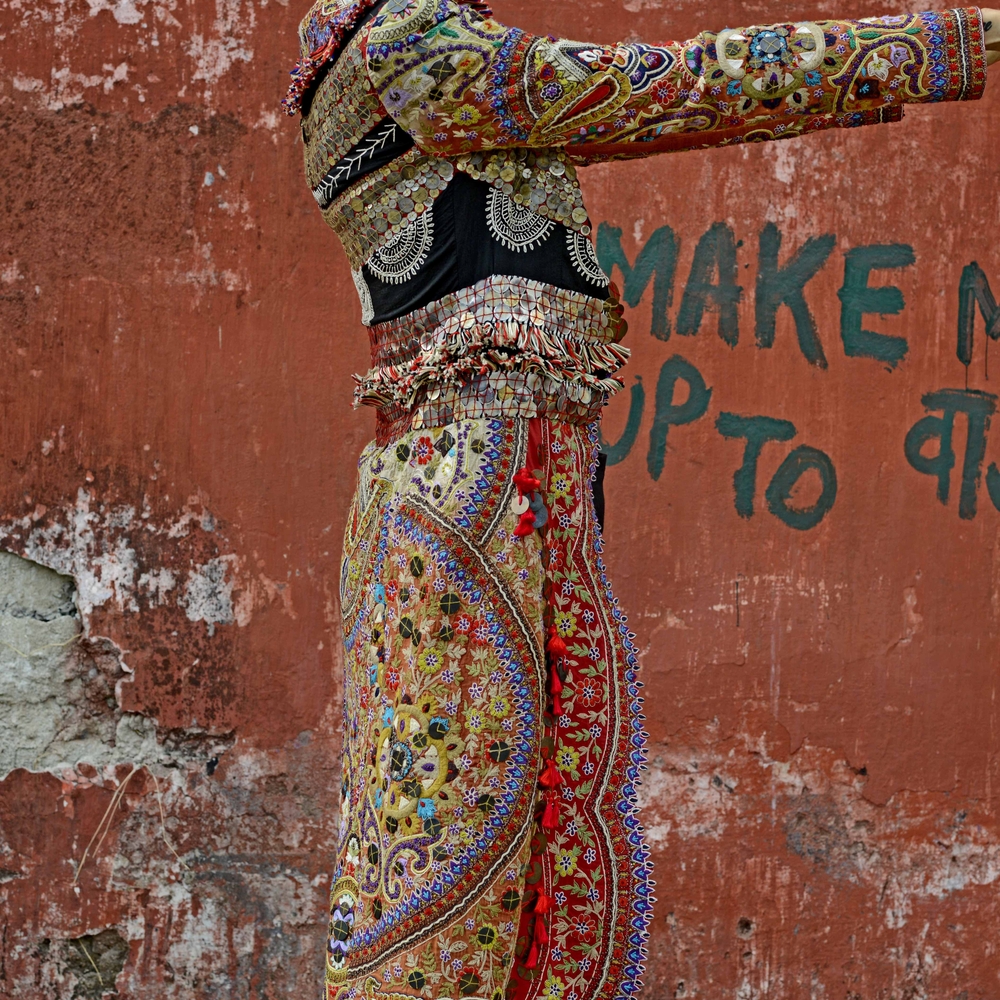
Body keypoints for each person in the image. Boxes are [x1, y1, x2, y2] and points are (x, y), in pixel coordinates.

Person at [282, 4, 999, 999]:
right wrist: (938, 41)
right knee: (461, 830)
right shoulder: (412, 40)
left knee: (466, 822)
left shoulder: (361, 54)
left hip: (471, 474)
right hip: (477, 483)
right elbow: (657, 88)